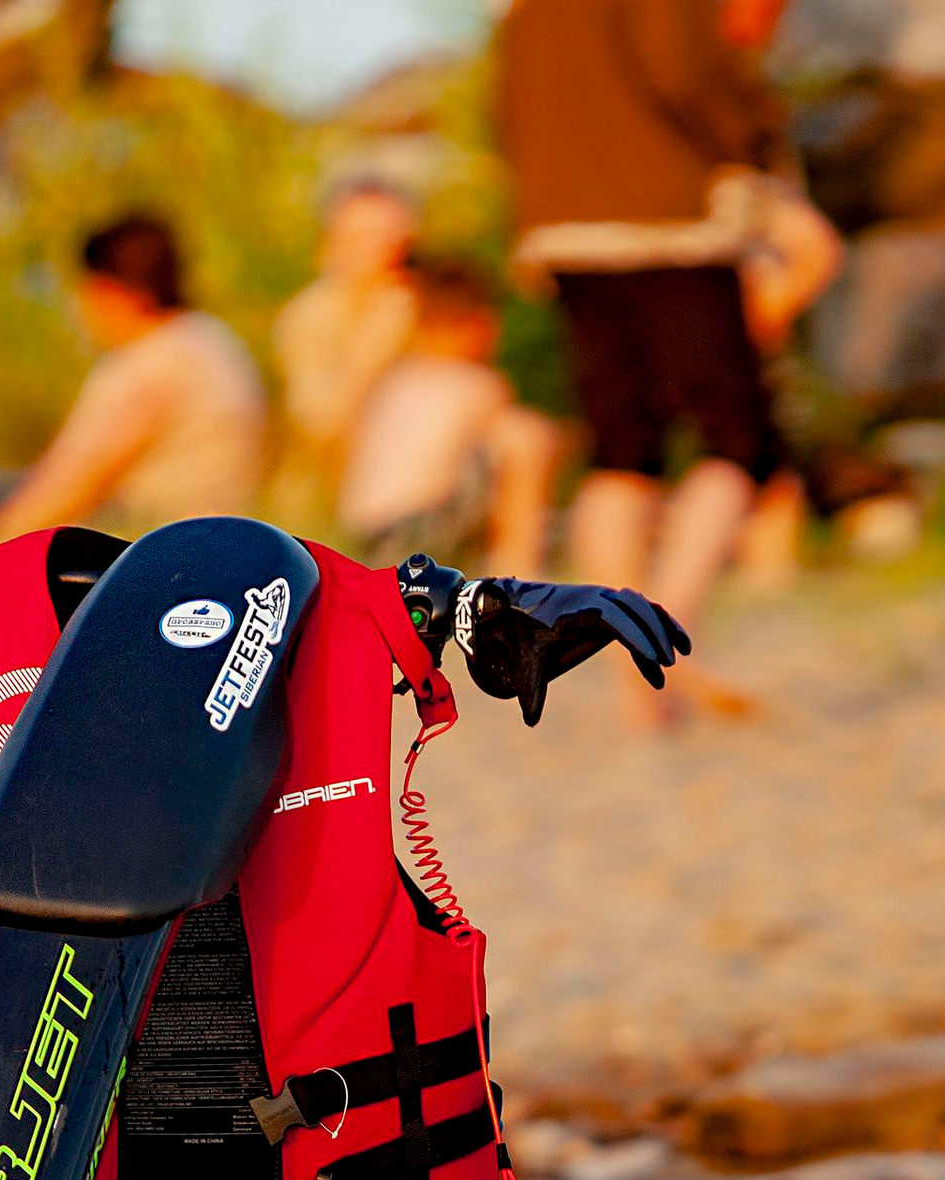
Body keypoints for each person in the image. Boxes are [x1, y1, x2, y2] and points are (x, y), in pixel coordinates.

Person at [497, 0, 788, 726]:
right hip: (669, 215)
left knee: (621, 446)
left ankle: (637, 679)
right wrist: (755, 141)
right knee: (737, 437)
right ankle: (665, 639)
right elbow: (685, 72)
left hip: (561, 222)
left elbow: (502, 106)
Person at [0, 216, 266, 543]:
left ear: (115, 291)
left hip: (149, 521)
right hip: (210, 518)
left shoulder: (152, 361)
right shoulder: (211, 338)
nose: (82, 310)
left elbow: (80, 479)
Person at [336, 256, 561, 576]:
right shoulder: (477, 383)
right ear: (479, 325)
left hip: (369, 537)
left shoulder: (396, 379)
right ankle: (517, 578)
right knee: (527, 435)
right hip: (423, 531)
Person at [272, 171, 422, 524]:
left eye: (393, 241)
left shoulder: (426, 308)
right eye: (361, 239)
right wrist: (376, 348)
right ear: (329, 245)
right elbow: (322, 423)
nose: (381, 254)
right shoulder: (307, 318)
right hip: (325, 507)